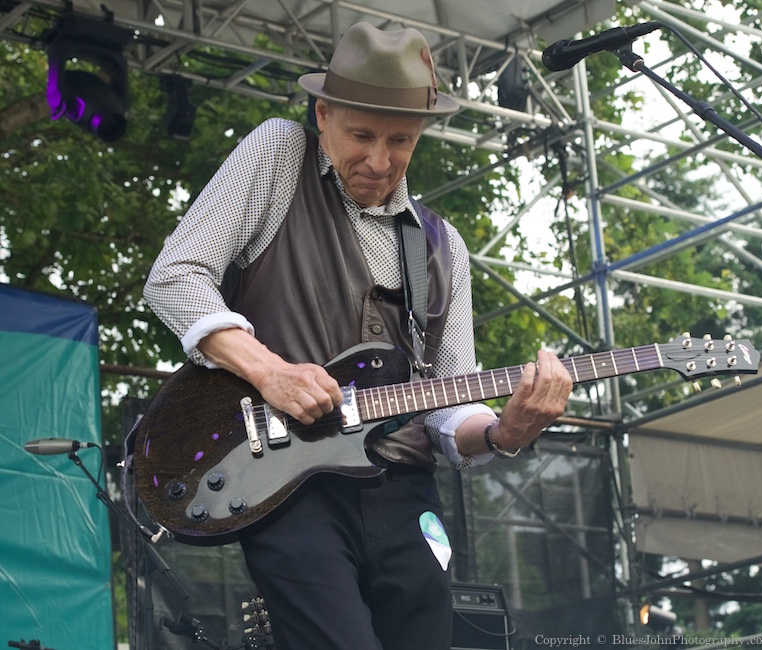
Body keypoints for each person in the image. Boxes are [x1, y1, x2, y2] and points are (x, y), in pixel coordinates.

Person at [144, 21, 573, 650]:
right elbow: (175, 277)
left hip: (405, 493)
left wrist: (504, 433)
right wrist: (269, 370)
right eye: (361, 135)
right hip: (289, 481)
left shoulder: (441, 244)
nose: (379, 160)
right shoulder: (278, 154)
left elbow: (450, 399)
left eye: (401, 140)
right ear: (323, 114)